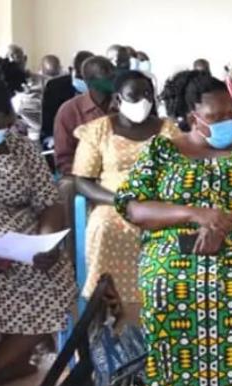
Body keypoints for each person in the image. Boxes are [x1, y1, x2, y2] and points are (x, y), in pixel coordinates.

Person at [117, 70, 232, 386]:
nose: (229, 121)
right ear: (193, 119)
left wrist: (223, 222)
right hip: (175, 249)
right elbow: (134, 207)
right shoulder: (161, 151)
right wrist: (192, 213)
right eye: (217, 116)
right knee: (165, 289)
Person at [0, 58, 74, 386]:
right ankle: (8, 367)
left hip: (22, 245)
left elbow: (49, 202)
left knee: (51, 280)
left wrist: (45, 243)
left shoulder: (23, 148)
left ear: (9, 119)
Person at [72, 71, 178, 311]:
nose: (143, 100)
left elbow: (181, 169)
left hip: (161, 203)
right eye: (134, 95)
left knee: (181, 230)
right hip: (113, 203)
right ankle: (108, 307)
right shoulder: (98, 130)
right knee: (104, 228)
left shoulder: (168, 129)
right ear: (118, 99)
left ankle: (164, 308)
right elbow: (82, 181)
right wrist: (122, 201)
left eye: (148, 94)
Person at [54, 56, 115, 175]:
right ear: (89, 80)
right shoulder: (69, 111)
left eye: (113, 70)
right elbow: (64, 158)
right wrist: (85, 179)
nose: (113, 75)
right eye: (105, 72)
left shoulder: (123, 105)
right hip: (84, 176)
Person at [41, 50, 93, 152]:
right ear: (71, 70)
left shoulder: (102, 87)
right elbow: (47, 121)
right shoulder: (55, 87)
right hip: (62, 139)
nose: (85, 80)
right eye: (80, 75)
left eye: (89, 75)